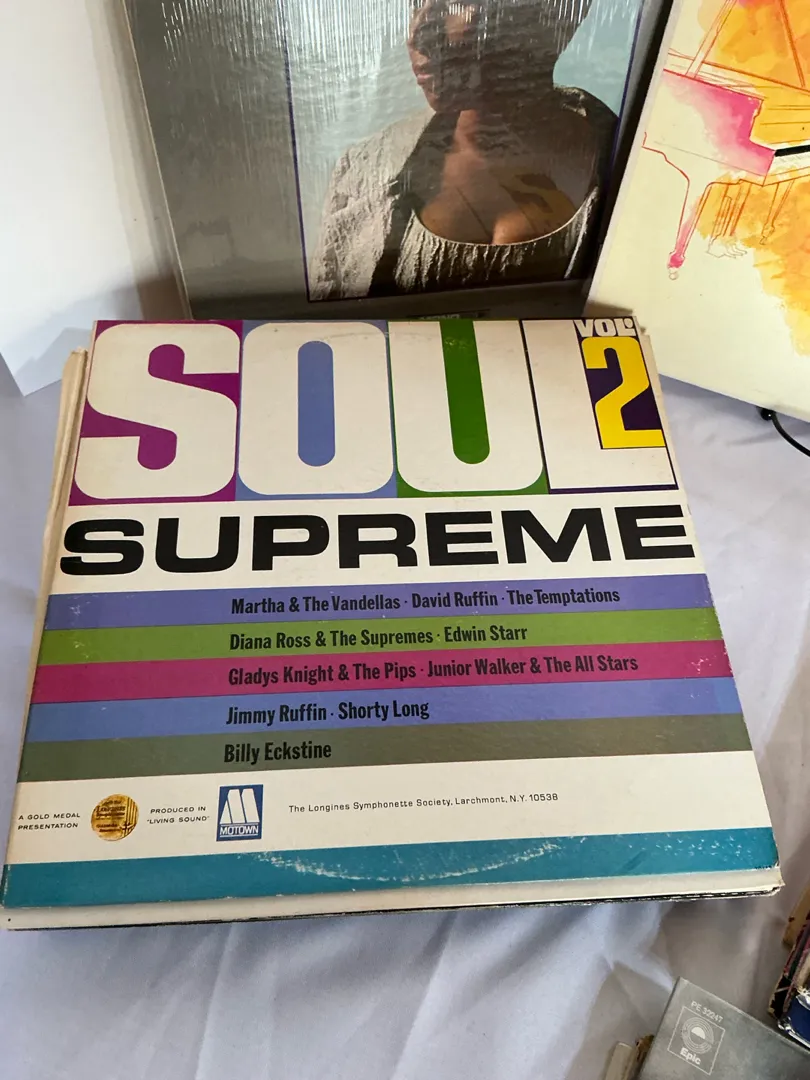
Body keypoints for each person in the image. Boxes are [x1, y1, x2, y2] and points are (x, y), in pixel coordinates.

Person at [308, 0, 617, 300]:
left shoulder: (628, 165)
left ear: (550, 14)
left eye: (456, 2)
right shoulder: (361, 173)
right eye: (416, 3)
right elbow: (330, 324)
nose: (417, 35)